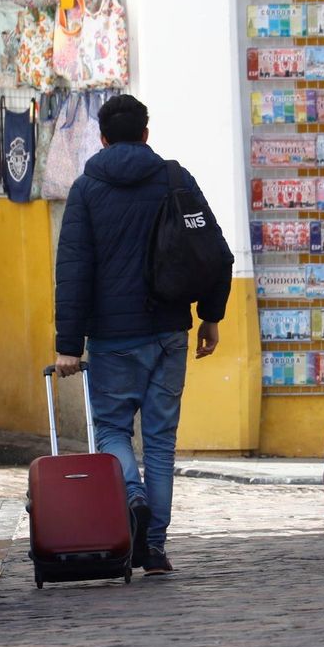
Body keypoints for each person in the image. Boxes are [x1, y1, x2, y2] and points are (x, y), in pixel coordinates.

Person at [54, 94, 232, 577]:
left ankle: (132, 496)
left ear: (102, 138)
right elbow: (216, 252)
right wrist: (211, 316)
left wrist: (68, 345)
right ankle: (152, 548)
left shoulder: (86, 189)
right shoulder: (175, 179)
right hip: (170, 330)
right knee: (159, 441)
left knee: (112, 430)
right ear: (146, 134)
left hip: (112, 337)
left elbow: (73, 270)